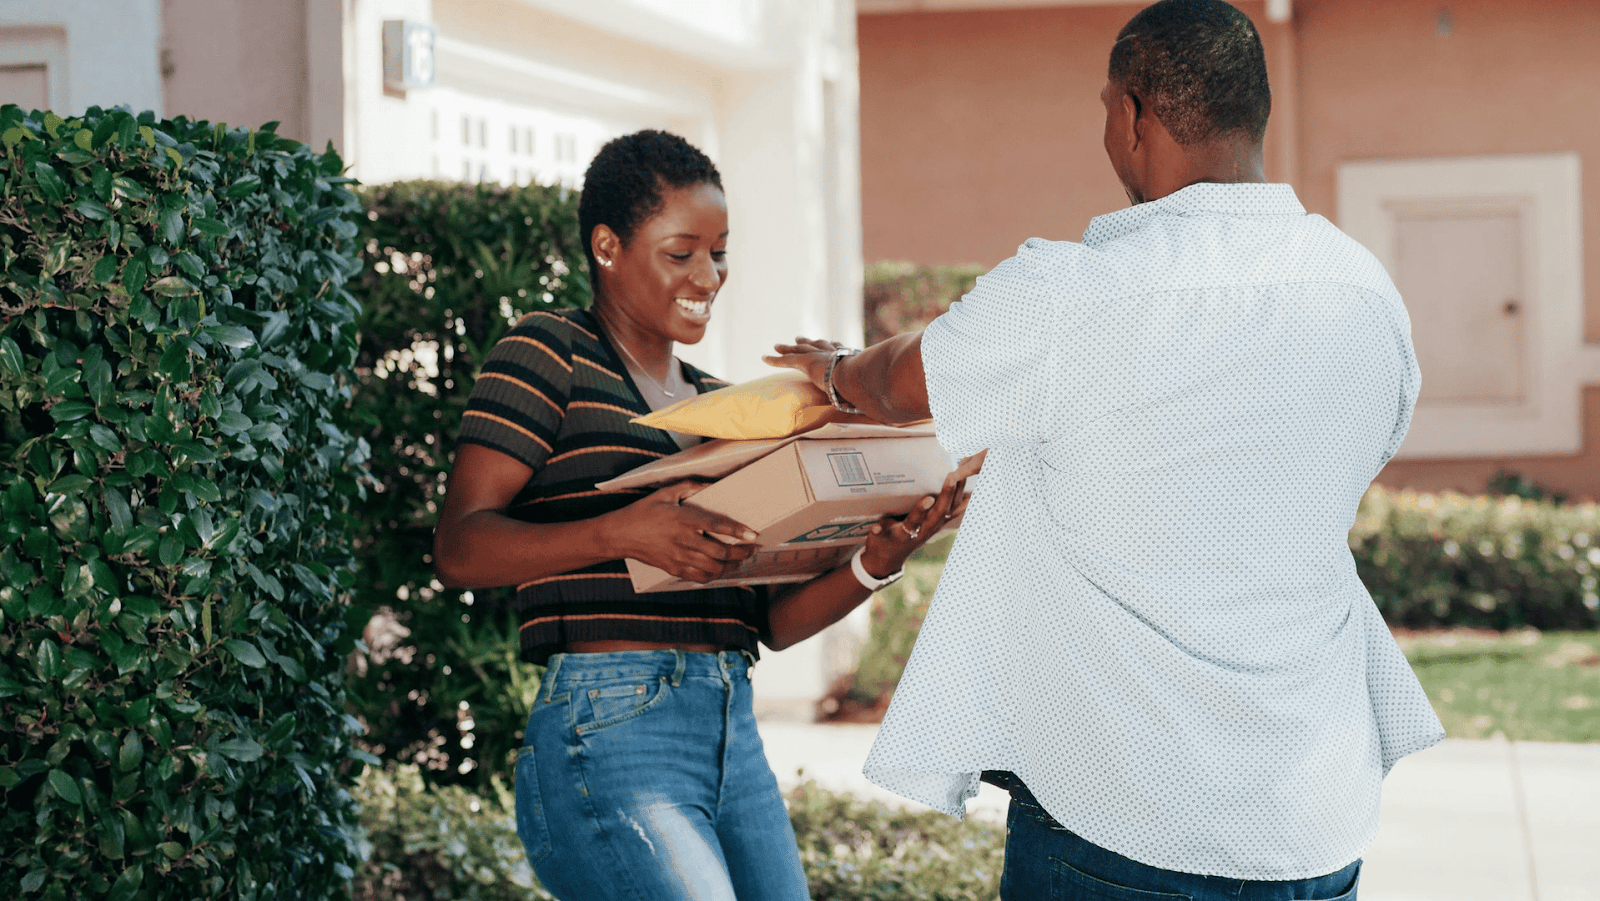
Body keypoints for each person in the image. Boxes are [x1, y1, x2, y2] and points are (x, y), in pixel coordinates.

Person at [764, 1, 1444, 898]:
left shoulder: (1072, 296)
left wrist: (838, 368)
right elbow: (1365, 449)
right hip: (1311, 813)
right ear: (1255, 115)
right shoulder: (1366, 293)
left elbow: (902, 384)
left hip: (1122, 809)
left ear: (1133, 114)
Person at [431, 129, 968, 901]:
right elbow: (460, 547)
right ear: (608, 246)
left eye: (719, 252)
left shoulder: (729, 407)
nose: (707, 275)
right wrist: (621, 530)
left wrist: (875, 561)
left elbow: (766, 623)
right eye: (681, 252)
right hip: (608, 723)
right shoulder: (548, 353)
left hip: (730, 728)